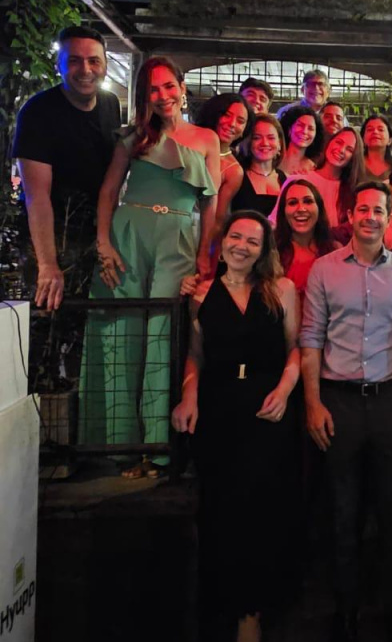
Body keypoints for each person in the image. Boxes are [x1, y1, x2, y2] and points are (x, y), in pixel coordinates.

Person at [171, 211, 301, 642]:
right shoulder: (201, 293)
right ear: (222, 241)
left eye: (253, 240)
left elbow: (296, 349)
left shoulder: (281, 289)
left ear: (264, 248)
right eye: (236, 237)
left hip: (267, 413)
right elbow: (196, 355)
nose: (242, 245)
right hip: (219, 412)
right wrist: (189, 395)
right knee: (219, 518)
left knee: (258, 519)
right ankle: (219, 631)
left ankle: (251, 632)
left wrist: (285, 390)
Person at [300, 182, 392, 642]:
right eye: (364, 210)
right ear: (350, 216)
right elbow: (311, 337)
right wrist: (313, 402)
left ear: (389, 216)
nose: (372, 217)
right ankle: (346, 615)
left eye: (380, 210)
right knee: (343, 514)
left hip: (391, 400)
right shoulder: (324, 269)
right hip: (339, 402)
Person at [79, 56, 220, 475]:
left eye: (168, 86)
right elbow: (108, 192)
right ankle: (119, 446)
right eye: (153, 89)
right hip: (128, 235)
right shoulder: (133, 136)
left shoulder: (207, 139)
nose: (163, 96)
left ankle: (157, 448)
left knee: (164, 337)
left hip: (179, 240)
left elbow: (210, 204)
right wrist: (104, 244)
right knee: (121, 332)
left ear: (182, 87)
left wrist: (204, 255)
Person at [13, 25, 121, 311]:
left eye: (94, 60)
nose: (85, 69)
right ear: (59, 65)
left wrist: (106, 239)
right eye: (74, 60)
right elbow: (37, 197)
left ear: (105, 65)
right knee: (47, 322)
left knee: (91, 323)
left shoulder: (110, 104)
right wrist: (47, 264)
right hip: (51, 238)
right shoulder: (37, 112)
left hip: (95, 236)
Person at [285, 127, 364, 228]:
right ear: (329, 142)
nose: (341, 150)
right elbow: (276, 222)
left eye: (349, 149)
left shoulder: (353, 192)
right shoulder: (297, 180)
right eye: (339, 142)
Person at [274, 178, 337, 302]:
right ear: (283, 211)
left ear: (319, 208)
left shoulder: (335, 251)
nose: (301, 209)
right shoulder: (271, 253)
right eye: (292, 203)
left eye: (308, 201)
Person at [196, 93, 254, 221]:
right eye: (227, 115)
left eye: (240, 121)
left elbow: (218, 219)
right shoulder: (189, 142)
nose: (232, 124)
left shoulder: (234, 171)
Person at [231, 113, 286, 215]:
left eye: (271, 138)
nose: (265, 143)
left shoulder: (285, 179)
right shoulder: (236, 176)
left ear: (280, 143)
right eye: (257, 138)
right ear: (248, 142)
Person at [279, 105, 324, 176]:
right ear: (289, 129)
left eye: (310, 128)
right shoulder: (274, 158)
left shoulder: (313, 169)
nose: (305, 131)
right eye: (300, 125)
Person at [361, 114, 392, 181]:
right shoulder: (354, 166)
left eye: (381, 130)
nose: (375, 132)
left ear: (390, 140)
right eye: (370, 129)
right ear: (363, 139)